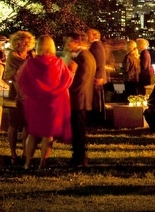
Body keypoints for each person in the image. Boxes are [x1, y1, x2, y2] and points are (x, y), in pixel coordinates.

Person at [15, 35, 75, 170]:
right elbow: (66, 81)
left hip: (35, 102)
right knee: (48, 134)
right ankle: (43, 162)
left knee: (33, 133)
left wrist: (30, 92)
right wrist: (72, 71)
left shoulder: (30, 63)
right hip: (52, 103)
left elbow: (21, 79)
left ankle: (28, 162)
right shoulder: (58, 63)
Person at [67, 32, 96, 168]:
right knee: (78, 130)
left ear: (77, 42)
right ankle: (78, 157)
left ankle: (79, 158)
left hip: (79, 99)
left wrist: (67, 90)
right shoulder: (85, 56)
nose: (67, 45)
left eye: (69, 42)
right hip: (82, 98)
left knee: (78, 131)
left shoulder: (83, 57)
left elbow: (80, 81)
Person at [4, 30, 33, 165]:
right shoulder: (12, 56)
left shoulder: (31, 55)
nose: (25, 45)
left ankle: (25, 152)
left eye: (28, 42)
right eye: (23, 42)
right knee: (14, 125)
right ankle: (13, 153)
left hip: (29, 94)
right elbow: (11, 74)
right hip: (15, 94)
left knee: (27, 124)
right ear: (16, 43)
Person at [87, 29, 108, 127]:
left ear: (94, 36)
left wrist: (98, 76)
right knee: (97, 99)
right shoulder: (98, 45)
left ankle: (97, 120)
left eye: (89, 35)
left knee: (97, 100)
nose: (87, 36)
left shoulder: (96, 46)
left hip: (97, 77)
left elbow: (99, 62)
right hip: (98, 76)